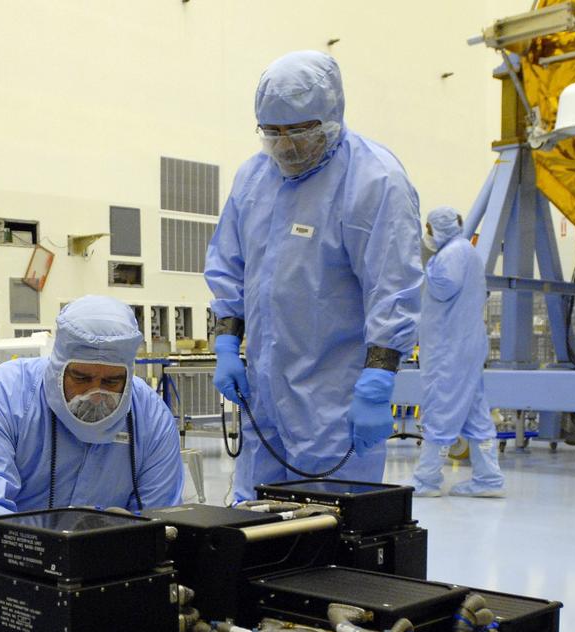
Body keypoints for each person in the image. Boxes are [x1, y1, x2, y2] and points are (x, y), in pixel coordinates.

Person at [205, 50, 422, 502]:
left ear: (331, 117)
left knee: (331, 532)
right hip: (263, 397)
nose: (286, 146)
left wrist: (379, 379)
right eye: (273, 133)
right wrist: (226, 343)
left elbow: (393, 288)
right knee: (255, 525)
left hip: (334, 404)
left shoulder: (375, 180)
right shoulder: (253, 178)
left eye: (300, 132)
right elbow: (229, 264)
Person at [0, 296, 185, 603]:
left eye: (112, 380)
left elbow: (159, 524)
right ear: (58, 365)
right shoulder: (4, 397)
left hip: (90, 583)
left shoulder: (151, 420)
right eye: (81, 377)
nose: (95, 394)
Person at [411, 206, 504, 498]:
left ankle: (427, 480)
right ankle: (489, 479)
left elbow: (442, 288)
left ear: (437, 228)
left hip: (448, 348)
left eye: (428, 229)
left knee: (440, 406)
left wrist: (426, 262)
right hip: (465, 344)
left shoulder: (451, 254)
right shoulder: (466, 251)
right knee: (476, 413)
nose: (427, 235)